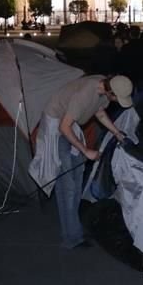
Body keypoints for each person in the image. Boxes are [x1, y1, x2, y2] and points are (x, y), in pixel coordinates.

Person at [29, 74, 134, 249]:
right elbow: (64, 127)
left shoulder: (103, 90)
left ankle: (73, 229)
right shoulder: (86, 93)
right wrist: (86, 150)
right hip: (57, 126)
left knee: (77, 178)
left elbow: (99, 113)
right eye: (117, 98)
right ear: (110, 92)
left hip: (70, 125)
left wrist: (117, 132)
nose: (116, 101)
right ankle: (71, 237)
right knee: (68, 185)